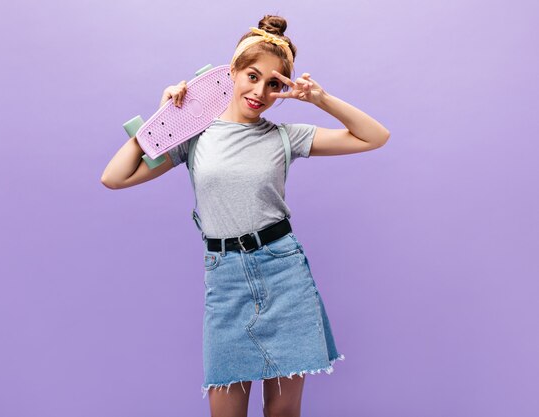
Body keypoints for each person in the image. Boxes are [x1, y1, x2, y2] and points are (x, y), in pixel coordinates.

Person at [101, 14, 390, 417]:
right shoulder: (193, 135)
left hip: (284, 273)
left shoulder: (285, 137)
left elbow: (375, 136)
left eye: (274, 84)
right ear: (232, 73)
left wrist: (320, 99)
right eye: (252, 76)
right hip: (226, 280)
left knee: (284, 413)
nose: (260, 91)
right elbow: (114, 177)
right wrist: (164, 119)